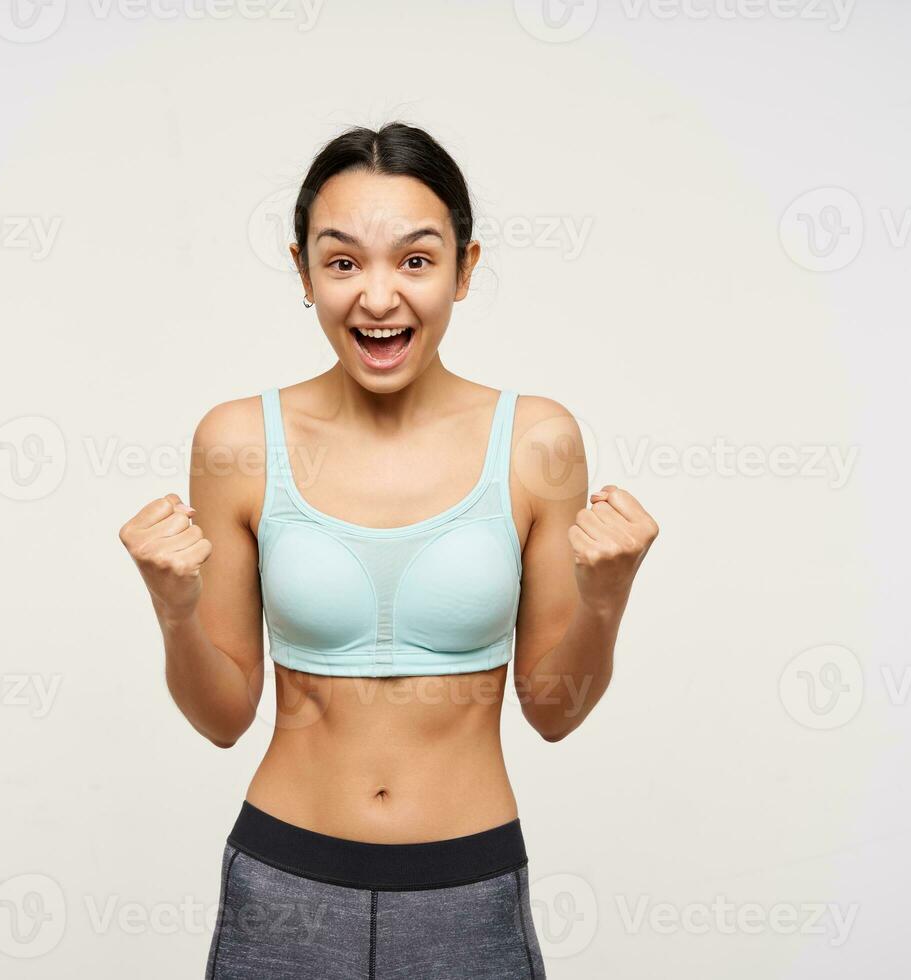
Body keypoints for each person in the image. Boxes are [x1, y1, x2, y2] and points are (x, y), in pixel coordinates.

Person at [118, 121, 658, 979]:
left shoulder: (536, 440)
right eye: (342, 262)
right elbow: (222, 718)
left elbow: (554, 710)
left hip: (467, 887)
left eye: (415, 260)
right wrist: (174, 610)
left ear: (464, 270)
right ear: (302, 272)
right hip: (283, 888)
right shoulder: (237, 442)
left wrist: (607, 597)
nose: (378, 298)